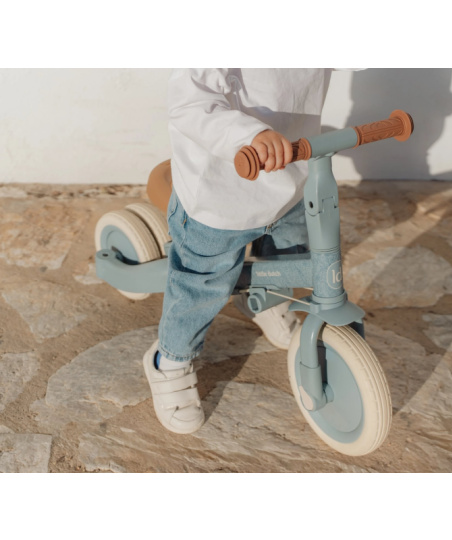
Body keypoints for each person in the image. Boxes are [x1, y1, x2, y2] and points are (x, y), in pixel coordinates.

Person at [143, 68, 336, 434]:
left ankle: (265, 299)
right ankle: (170, 359)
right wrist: (250, 135)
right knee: (202, 284)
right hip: (220, 194)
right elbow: (190, 103)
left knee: (288, 255)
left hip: (289, 181)